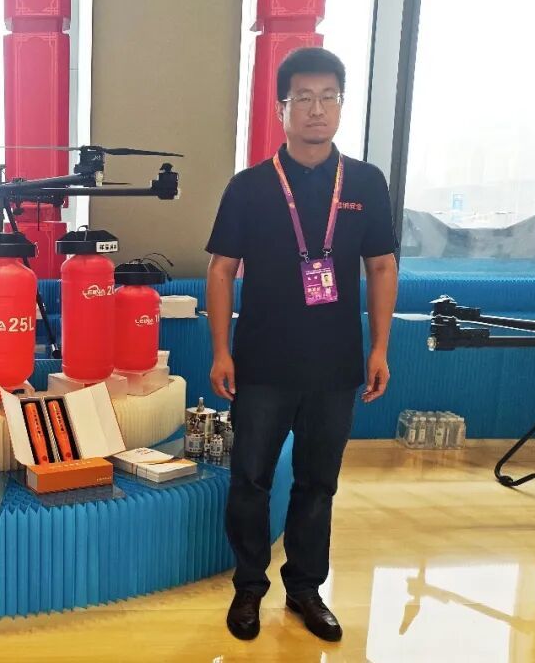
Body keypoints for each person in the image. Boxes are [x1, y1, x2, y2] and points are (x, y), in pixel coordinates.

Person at [205, 47, 398, 642]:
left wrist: (379, 348)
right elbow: (220, 269)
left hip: (335, 365)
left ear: (341, 105)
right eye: (304, 98)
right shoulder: (250, 187)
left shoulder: (365, 182)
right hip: (262, 363)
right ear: (281, 109)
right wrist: (221, 351)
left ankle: (306, 589)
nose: (317, 109)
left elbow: (382, 266)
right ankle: (248, 588)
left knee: (319, 483)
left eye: (328, 97)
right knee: (251, 480)